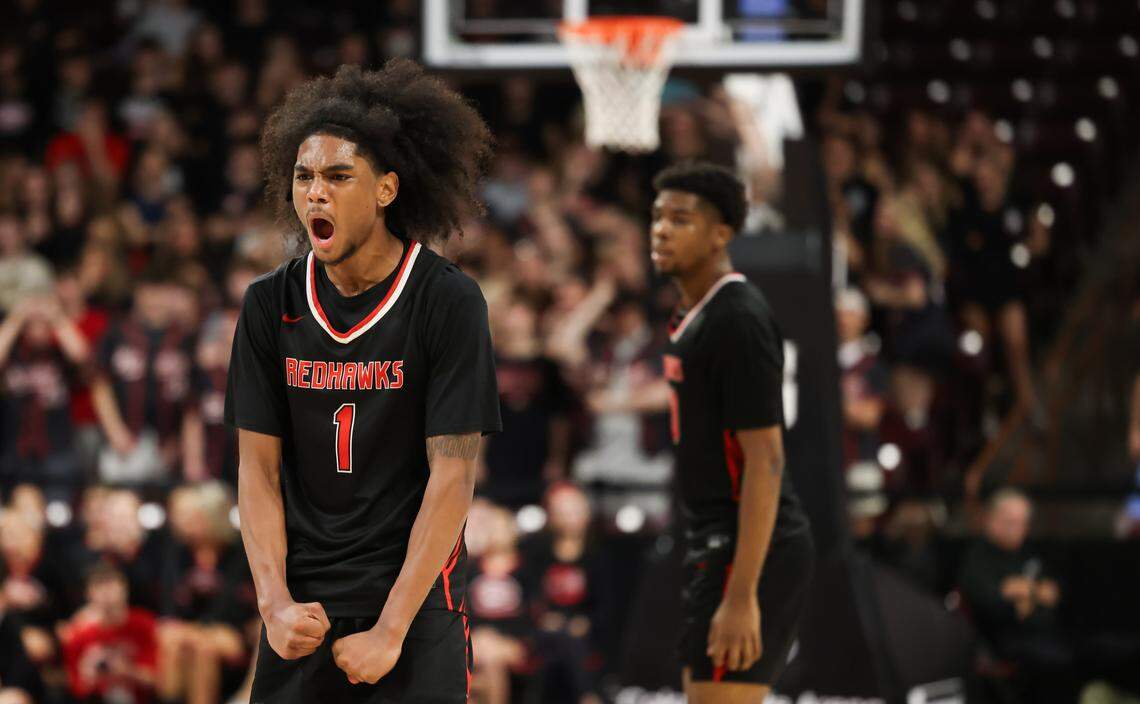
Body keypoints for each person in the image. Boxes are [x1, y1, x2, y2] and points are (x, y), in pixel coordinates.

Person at [225, 60, 500, 703]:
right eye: (303, 177)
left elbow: (453, 476)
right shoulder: (269, 304)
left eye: (338, 176)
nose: (315, 193)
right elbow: (256, 473)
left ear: (386, 190)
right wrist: (273, 604)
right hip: (303, 606)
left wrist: (391, 628)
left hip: (413, 600)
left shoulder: (447, 301)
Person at [650, 162, 814, 704]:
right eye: (656, 217)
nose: (662, 229)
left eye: (681, 219)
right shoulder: (693, 313)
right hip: (715, 539)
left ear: (722, 233)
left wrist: (743, 594)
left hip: (748, 547)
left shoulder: (737, 318)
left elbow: (766, 461)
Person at [957, 487, 1073, 702]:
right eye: (1011, 521)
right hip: (1000, 646)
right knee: (1057, 662)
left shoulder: (1029, 551)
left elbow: (1054, 593)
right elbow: (993, 606)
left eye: (1023, 522)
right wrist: (1029, 598)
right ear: (991, 520)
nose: (1018, 529)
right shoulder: (978, 558)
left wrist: (1026, 593)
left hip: (1044, 636)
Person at [61, 562, 158, 704]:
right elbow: (77, 689)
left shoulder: (144, 625)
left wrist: (126, 671)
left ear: (125, 589)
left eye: (111, 584)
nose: (106, 592)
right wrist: (89, 675)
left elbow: (157, 681)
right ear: (88, 595)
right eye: (99, 587)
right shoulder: (79, 637)